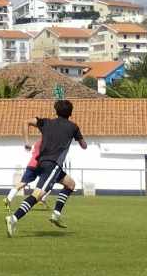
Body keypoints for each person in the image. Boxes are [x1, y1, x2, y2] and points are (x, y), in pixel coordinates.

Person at [8, 100, 90, 237]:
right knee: (37, 195)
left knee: (70, 184)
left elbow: (26, 122)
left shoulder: (46, 122)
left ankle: (56, 214)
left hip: (41, 163)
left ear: (56, 111)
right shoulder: (73, 127)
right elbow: (84, 145)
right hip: (52, 165)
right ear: (71, 113)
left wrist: (27, 142)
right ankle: (13, 218)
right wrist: (81, 140)